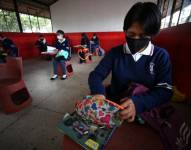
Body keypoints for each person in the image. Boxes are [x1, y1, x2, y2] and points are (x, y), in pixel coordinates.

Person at [88, 2, 173, 123]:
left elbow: (165, 90)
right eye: (131, 34)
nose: (136, 40)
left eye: (143, 35)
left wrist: (139, 103)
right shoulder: (115, 53)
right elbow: (96, 75)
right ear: (125, 30)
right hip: (115, 108)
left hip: (144, 111)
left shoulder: (160, 56)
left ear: (152, 34)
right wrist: (98, 92)